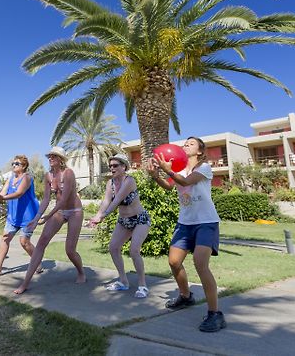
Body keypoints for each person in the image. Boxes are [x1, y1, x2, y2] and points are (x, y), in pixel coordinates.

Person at [147, 137, 226, 332]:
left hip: (206, 222)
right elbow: (169, 185)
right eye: (185, 143)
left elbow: (185, 181)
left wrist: (167, 170)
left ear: (200, 151)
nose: (185, 145)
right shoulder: (179, 169)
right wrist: (155, 175)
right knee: (174, 262)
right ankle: (185, 296)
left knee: (201, 264)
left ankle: (215, 314)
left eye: (191, 143)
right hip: (185, 223)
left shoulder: (204, 168)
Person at [13, 146, 86, 294]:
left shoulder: (69, 173)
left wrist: (48, 216)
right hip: (59, 211)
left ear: (61, 159)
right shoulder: (48, 176)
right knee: (40, 243)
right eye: (49, 156)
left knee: (70, 250)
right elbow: (46, 199)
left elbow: (64, 198)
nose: (50, 158)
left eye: (54, 156)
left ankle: (81, 272)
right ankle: (25, 283)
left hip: (74, 211)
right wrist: (36, 218)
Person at [90, 154, 151, 298]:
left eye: (115, 165)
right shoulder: (110, 183)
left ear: (124, 167)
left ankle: (142, 285)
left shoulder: (129, 181)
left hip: (139, 219)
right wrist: (97, 216)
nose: (112, 168)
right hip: (123, 221)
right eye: (110, 166)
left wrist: (103, 216)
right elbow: (106, 201)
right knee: (113, 248)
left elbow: (117, 200)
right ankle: (123, 281)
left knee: (134, 250)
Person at [0, 154, 42, 278]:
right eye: (13, 164)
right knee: (5, 239)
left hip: (28, 217)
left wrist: (1, 198)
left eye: (17, 164)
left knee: (24, 242)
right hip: (13, 216)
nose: (14, 165)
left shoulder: (27, 178)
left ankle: (37, 262)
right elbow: (2, 193)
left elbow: (19, 193)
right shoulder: (10, 179)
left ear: (24, 166)